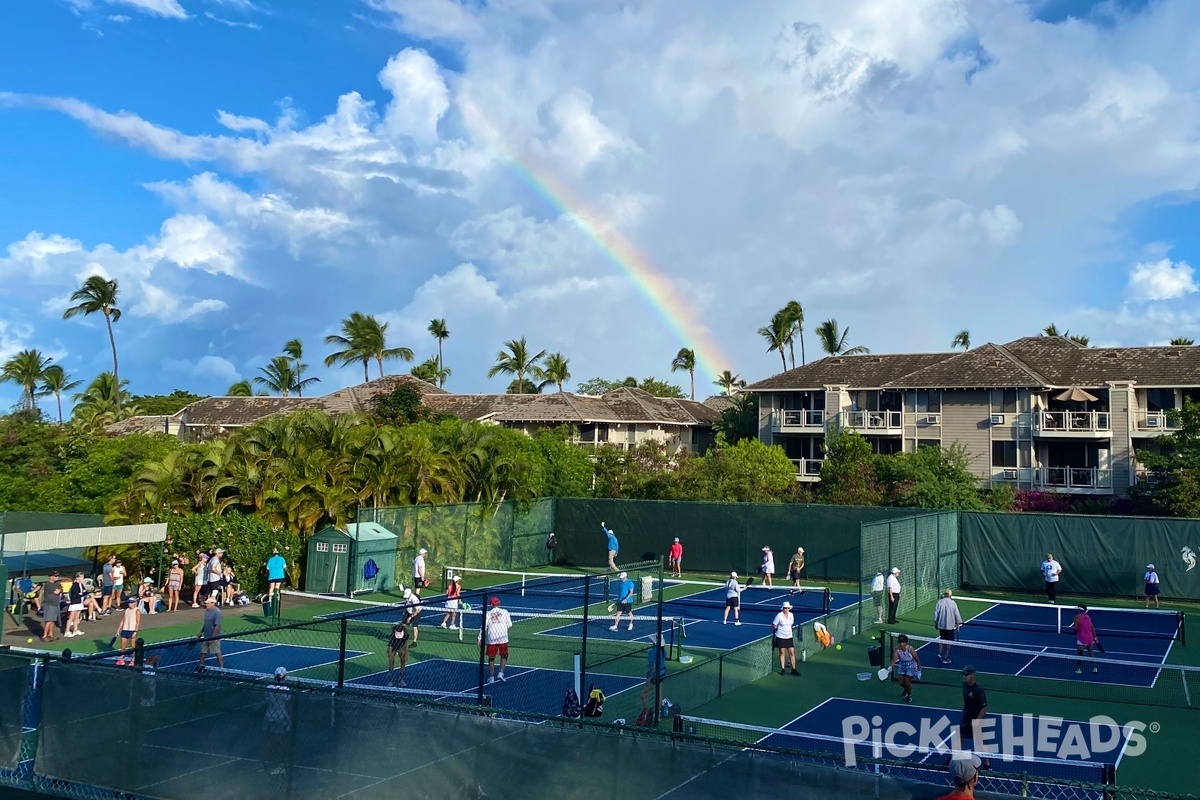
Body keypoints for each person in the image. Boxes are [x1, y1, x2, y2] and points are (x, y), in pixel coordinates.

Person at [262, 667, 293, 776]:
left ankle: (264, 763)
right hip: (280, 718)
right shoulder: (285, 689)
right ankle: (277, 765)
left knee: (268, 740)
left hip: (268, 716)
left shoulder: (269, 687)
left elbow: (266, 701)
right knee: (280, 742)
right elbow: (288, 704)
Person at [958, 666, 990, 770]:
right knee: (960, 736)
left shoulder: (978, 690)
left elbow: (984, 708)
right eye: (964, 674)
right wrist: (965, 710)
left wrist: (977, 721)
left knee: (980, 742)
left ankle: (987, 764)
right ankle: (956, 756)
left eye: (966, 675)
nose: (964, 677)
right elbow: (966, 700)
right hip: (967, 717)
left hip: (977, 719)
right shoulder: (964, 685)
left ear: (972, 675)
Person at [478, 597, 512, 684]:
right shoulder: (505, 612)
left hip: (492, 638)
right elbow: (509, 625)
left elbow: (484, 627)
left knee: (491, 658)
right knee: (504, 656)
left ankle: (492, 677)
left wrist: (480, 637)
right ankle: (501, 673)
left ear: (491, 605)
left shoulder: (488, 614)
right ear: (498, 603)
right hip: (503, 638)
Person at [934, 590, 964, 664]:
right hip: (950, 626)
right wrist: (958, 624)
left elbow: (935, 614)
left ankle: (940, 653)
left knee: (942, 639)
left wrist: (936, 624)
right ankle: (945, 657)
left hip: (941, 625)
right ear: (950, 595)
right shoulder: (953, 603)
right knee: (949, 642)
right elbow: (956, 614)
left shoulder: (939, 602)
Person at [640, 633, 668, 711]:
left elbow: (654, 666)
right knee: (659, 693)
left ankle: (647, 710)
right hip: (662, 674)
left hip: (655, 676)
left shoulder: (652, 652)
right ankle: (658, 711)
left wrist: (649, 678)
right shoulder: (662, 651)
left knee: (643, 694)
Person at [890, 633, 921, 703]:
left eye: (903, 642)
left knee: (907, 681)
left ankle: (909, 695)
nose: (901, 644)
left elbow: (917, 658)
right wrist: (890, 666)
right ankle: (906, 690)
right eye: (900, 642)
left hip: (911, 667)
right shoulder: (897, 650)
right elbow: (894, 659)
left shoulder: (910, 649)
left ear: (906, 642)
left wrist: (919, 668)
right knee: (900, 682)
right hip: (902, 667)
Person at [197, 596, 224, 671]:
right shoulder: (207, 611)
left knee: (217, 653)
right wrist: (200, 632)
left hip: (214, 637)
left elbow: (217, 626)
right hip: (206, 636)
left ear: (213, 603)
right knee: (203, 653)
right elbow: (206, 624)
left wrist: (213, 637)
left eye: (208, 603)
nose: (206, 605)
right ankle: (200, 666)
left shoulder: (217, 612)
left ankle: (221, 669)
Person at [772, 601, 799, 675]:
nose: (786, 609)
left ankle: (793, 669)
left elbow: (791, 624)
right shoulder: (779, 615)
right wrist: (776, 629)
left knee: (792, 652)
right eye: (785, 608)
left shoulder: (791, 615)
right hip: (780, 636)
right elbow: (774, 624)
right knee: (782, 652)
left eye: (788, 608)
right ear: (783, 608)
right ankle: (783, 669)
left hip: (789, 636)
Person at [1073, 604, 1099, 674]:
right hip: (1089, 637)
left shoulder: (1076, 617)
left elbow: (1075, 628)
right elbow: (1092, 627)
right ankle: (1094, 668)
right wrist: (1095, 637)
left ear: (1079, 610)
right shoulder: (1088, 617)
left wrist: (1075, 630)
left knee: (1080, 654)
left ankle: (1079, 669)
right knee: (1091, 653)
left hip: (1081, 637)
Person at [116, 598, 141, 666]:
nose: (129, 604)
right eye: (129, 603)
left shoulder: (137, 610)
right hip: (125, 630)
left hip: (132, 630)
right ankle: (121, 659)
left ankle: (133, 660)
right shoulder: (126, 610)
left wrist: (135, 631)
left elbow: (138, 622)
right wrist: (118, 630)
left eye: (131, 603)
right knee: (122, 646)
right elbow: (123, 620)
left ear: (134, 603)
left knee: (133, 646)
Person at [40, 572, 62, 642]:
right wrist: (59, 590)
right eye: (55, 576)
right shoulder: (48, 585)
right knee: (48, 621)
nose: (57, 577)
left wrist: (60, 590)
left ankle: (51, 635)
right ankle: (44, 636)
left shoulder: (56, 583)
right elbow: (56, 591)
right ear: (50, 576)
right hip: (49, 604)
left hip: (55, 604)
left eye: (57, 576)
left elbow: (61, 589)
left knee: (53, 621)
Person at [387, 619, 410, 686]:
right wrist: (390, 653)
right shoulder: (392, 636)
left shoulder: (405, 635)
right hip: (393, 647)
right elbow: (390, 646)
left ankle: (401, 680)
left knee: (403, 662)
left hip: (401, 647)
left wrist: (406, 653)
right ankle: (390, 681)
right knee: (391, 663)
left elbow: (406, 645)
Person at [64, 572, 86, 638]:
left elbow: (84, 592)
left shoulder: (81, 585)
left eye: (83, 577)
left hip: (79, 603)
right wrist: (83, 593)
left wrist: (83, 593)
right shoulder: (74, 585)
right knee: (71, 617)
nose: (82, 578)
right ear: (77, 578)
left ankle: (75, 630)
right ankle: (67, 632)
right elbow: (77, 594)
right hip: (75, 603)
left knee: (77, 617)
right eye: (81, 577)